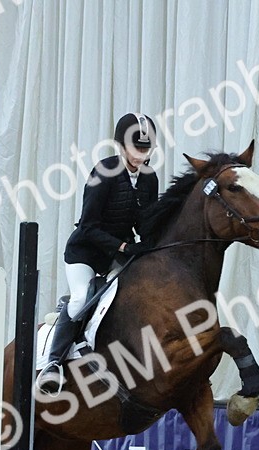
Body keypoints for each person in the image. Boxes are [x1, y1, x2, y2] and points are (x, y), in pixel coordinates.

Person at [37, 112, 161, 392]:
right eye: (135, 148)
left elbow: (145, 221)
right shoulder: (103, 172)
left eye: (145, 149)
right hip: (86, 251)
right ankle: (53, 363)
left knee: (133, 296)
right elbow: (88, 226)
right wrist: (123, 246)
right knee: (81, 298)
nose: (140, 155)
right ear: (120, 145)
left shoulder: (149, 179)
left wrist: (152, 240)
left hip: (118, 252)